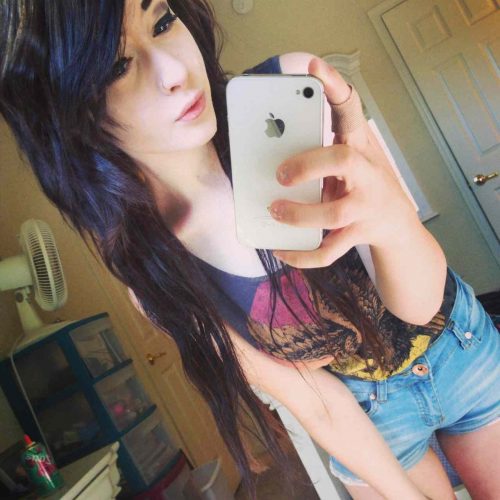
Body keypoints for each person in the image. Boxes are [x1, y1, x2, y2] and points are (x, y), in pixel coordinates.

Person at [0, 1, 498, 499]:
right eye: (117, 66)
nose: (175, 72)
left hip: (458, 347)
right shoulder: (156, 274)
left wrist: (391, 220)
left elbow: (419, 306)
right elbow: (317, 403)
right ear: (67, 117)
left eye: (163, 22)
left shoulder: (291, 89)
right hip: (367, 415)